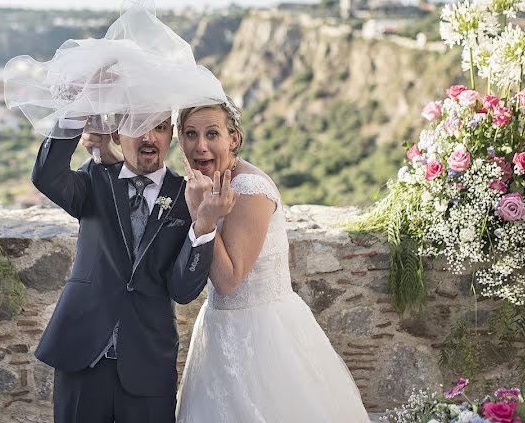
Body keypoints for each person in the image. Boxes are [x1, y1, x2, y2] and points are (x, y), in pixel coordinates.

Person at [171, 99, 372, 422]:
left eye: (212, 134)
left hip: (263, 337)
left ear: (233, 139)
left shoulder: (249, 190)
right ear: (180, 138)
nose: (201, 146)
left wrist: (201, 214)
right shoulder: (203, 184)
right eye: (191, 134)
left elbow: (228, 280)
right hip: (216, 334)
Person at [32, 114, 236, 423]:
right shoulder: (94, 179)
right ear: (115, 133)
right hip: (81, 355)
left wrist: (204, 223)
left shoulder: (188, 197)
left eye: (160, 127)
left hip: (148, 364)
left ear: (171, 137)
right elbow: (47, 175)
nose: (149, 138)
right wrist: (74, 115)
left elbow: (183, 290)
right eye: (136, 127)